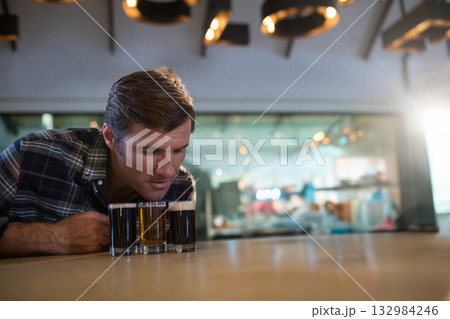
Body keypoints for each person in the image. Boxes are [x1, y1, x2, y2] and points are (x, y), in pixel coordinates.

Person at [0, 68, 196, 257]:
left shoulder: (180, 188)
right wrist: (54, 237)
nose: (168, 171)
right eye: (150, 151)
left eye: (178, 150)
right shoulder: (33, 155)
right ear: (110, 137)